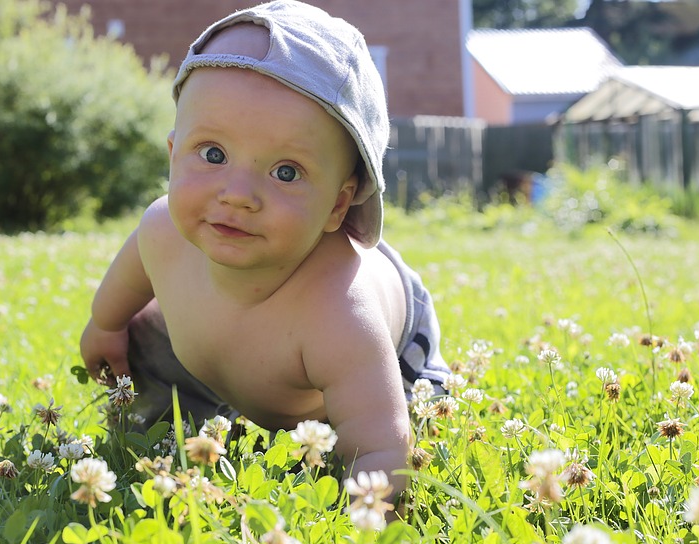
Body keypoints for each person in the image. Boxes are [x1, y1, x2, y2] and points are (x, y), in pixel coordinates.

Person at [80, 0, 451, 499]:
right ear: (173, 155)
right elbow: (127, 281)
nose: (238, 195)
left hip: (395, 346)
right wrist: (106, 326)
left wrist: (371, 508)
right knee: (146, 341)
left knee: (404, 421)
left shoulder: (341, 313)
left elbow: (382, 446)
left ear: (338, 205)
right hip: (225, 359)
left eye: (286, 172)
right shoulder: (163, 229)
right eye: (213, 154)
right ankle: (194, 424)